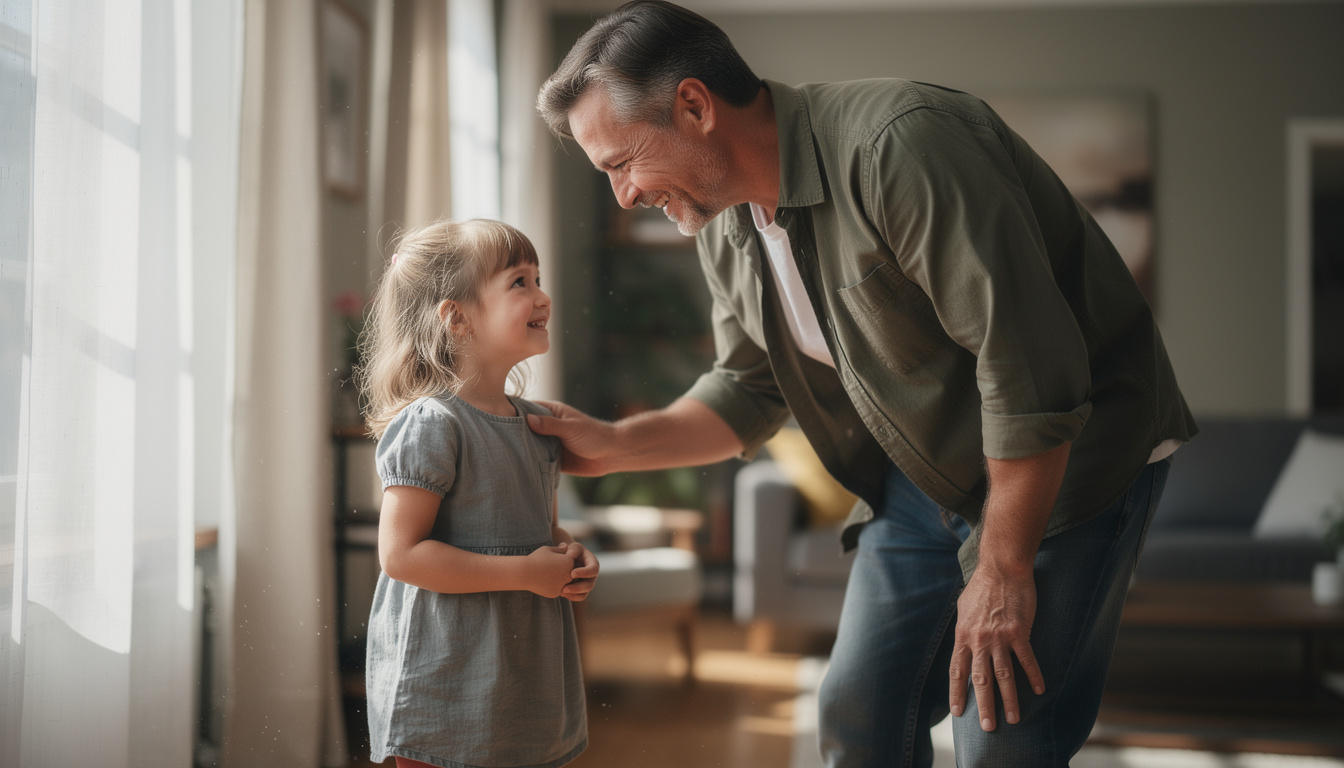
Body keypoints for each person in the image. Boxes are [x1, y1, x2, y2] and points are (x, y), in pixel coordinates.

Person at [532, 2, 1198, 766]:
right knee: (858, 715)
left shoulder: (900, 145)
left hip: (1070, 456)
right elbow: (748, 389)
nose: (623, 195)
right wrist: (612, 445)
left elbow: (1030, 372)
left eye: (622, 164)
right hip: (925, 475)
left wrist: (1002, 566)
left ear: (694, 105)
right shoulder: (721, 226)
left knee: (1003, 737)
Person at [356, 218, 596, 768]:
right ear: (457, 318)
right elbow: (400, 556)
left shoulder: (538, 425)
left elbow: (541, 530)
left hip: (520, 676)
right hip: (445, 676)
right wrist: (525, 574)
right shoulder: (433, 424)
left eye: (538, 278)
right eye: (520, 282)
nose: (544, 296)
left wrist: (568, 553)